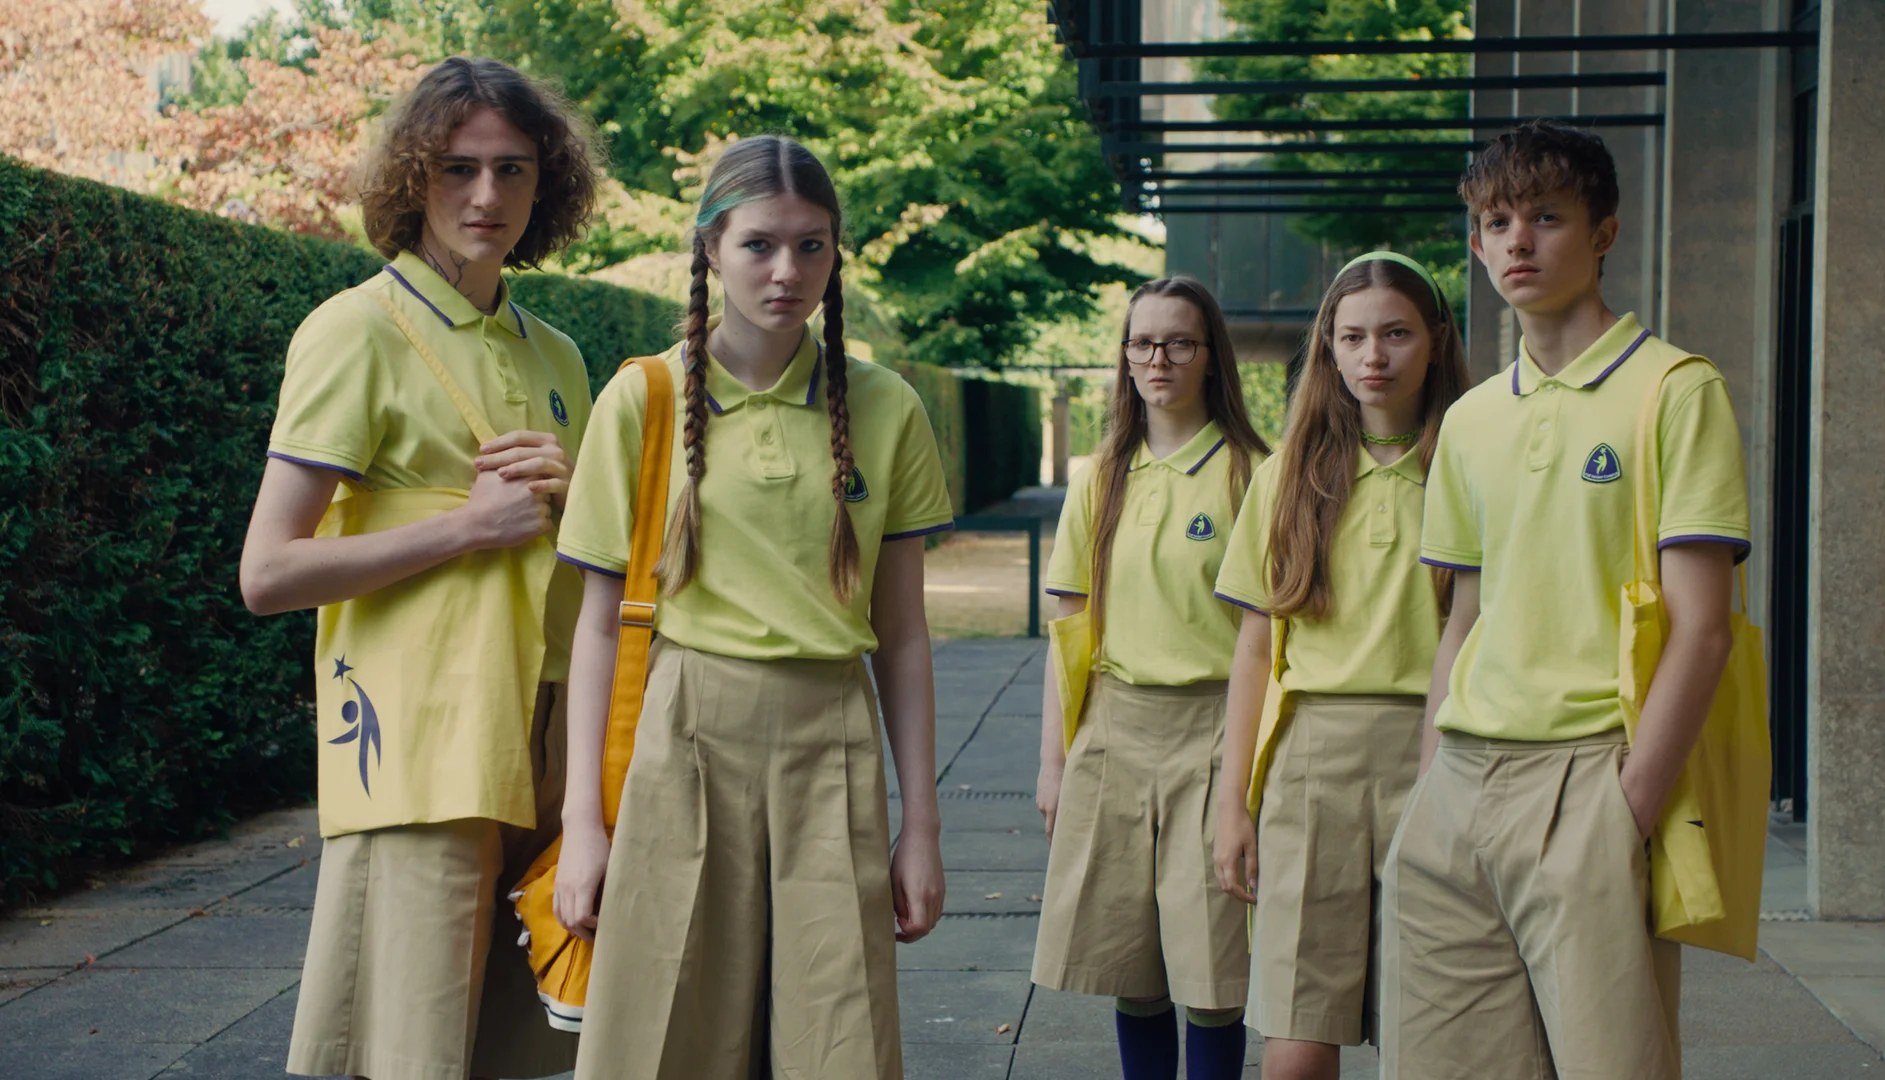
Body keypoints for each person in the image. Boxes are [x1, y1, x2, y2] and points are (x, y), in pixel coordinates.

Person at [550, 134, 951, 1080]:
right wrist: (582, 826)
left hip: (831, 732)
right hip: (686, 733)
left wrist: (923, 827)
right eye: (759, 245)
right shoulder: (642, 400)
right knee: (668, 1031)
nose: (787, 271)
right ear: (710, 248)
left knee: (839, 1035)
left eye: (812, 246)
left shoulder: (888, 406)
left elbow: (903, 637)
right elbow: (597, 626)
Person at [237, 56, 602, 1080]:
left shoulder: (559, 355)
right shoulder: (355, 331)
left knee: (527, 1046)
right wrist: (465, 528)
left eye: (513, 169)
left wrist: (577, 496)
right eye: (457, 168)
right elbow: (267, 573)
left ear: (546, 184)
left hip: (547, 740)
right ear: (412, 177)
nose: (488, 195)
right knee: (408, 1048)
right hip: (419, 745)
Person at [1380, 120, 1749, 1080]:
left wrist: (1628, 807)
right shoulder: (1468, 420)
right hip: (1458, 783)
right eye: (1497, 222)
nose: (1519, 241)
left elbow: (1705, 630)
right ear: (1476, 243)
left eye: (1546, 217)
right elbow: (1464, 617)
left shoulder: (1675, 390)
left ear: (1604, 233)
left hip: (1591, 775)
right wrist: (1430, 782)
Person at [1211, 251, 1468, 1080]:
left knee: (1433, 1034)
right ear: (1327, 345)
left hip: (1443, 751)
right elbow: (1256, 647)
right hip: (1311, 761)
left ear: (1436, 339)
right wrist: (1232, 803)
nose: (1373, 356)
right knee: (1296, 1037)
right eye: (1352, 337)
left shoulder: (1473, 463)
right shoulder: (1287, 475)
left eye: (1396, 333)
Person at [1031, 276, 1271, 1080]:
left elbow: (1273, 637)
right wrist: (1055, 760)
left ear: (1211, 357)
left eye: (1178, 343)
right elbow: (1069, 628)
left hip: (1215, 734)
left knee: (1212, 976)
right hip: (1115, 731)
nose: (1158, 359)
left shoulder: (1251, 473)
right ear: (1125, 358)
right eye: (1142, 343)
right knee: (1130, 970)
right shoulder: (1102, 476)